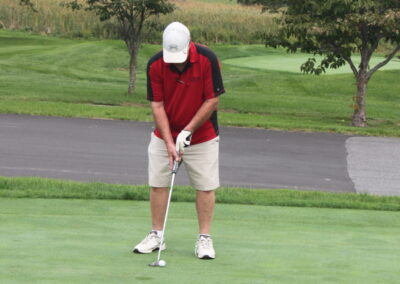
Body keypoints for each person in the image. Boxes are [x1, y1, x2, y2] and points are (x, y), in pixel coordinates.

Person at [132, 21, 225, 259]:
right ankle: (156, 235)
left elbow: (212, 100)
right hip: (165, 134)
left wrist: (188, 131)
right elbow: (157, 104)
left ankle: (204, 238)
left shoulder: (207, 59)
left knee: (205, 186)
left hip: (202, 135)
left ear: (188, 46)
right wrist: (169, 142)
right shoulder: (155, 64)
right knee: (158, 183)